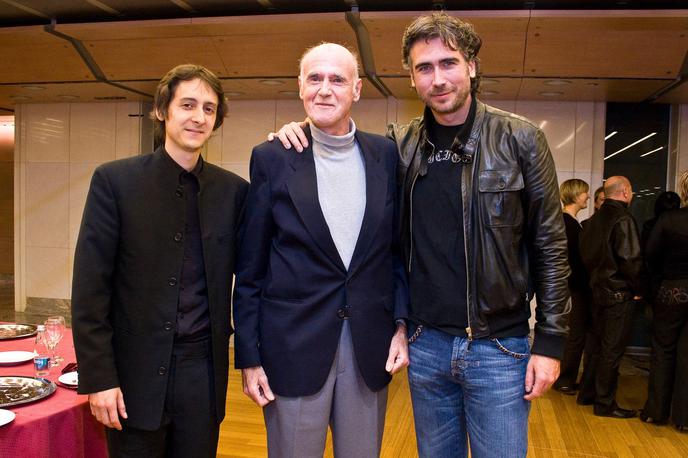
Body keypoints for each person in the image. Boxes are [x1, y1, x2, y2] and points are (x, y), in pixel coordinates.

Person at [270, 13, 570, 457]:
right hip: (425, 345)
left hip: (499, 347)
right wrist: (297, 133)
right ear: (411, 78)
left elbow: (551, 246)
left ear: (471, 65)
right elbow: (376, 228)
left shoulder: (520, 139)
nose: (438, 78)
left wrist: (550, 341)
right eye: (424, 68)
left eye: (448, 63)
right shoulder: (398, 146)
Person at [232, 43, 409, 458]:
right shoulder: (272, 157)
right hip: (292, 350)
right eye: (315, 78)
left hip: (368, 348)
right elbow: (251, 268)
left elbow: (395, 252)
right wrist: (249, 357)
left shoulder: (385, 155)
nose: (325, 89)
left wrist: (401, 324)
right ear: (300, 87)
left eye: (337, 79)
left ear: (357, 89)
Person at [71, 64, 249, 457]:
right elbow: (89, 290)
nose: (198, 117)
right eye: (188, 105)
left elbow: (253, 281)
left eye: (208, 108)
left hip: (202, 374)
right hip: (133, 374)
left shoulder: (234, 192)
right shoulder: (115, 182)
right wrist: (99, 378)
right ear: (161, 110)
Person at [578, 176, 641, 418]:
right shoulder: (623, 219)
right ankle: (605, 403)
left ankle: (587, 394)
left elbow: (586, 256)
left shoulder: (592, 221)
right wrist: (640, 289)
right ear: (625, 192)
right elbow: (631, 260)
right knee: (611, 351)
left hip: (596, 292)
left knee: (594, 347)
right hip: (618, 294)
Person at [641, 171, 688, 430]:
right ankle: (684, 418)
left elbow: (650, 254)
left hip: (672, 291)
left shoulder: (670, 219)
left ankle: (656, 411)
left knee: (663, 350)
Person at [554, 179, 592, 395]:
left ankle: (565, 377)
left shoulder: (567, 222)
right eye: (585, 193)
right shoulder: (569, 224)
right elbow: (574, 261)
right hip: (573, 288)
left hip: (568, 287)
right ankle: (565, 380)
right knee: (574, 334)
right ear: (577, 196)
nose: (588, 196)